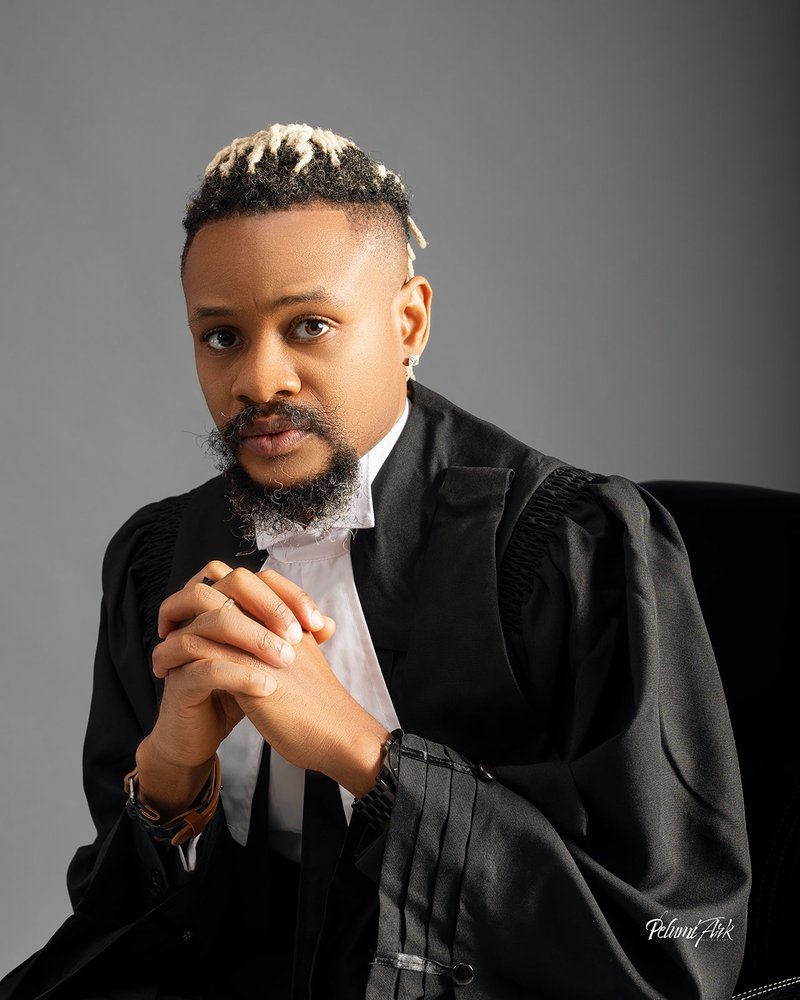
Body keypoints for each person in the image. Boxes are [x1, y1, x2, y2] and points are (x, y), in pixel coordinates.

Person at [1, 124, 750, 1000]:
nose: (259, 380)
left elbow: (681, 945)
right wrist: (170, 778)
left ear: (409, 322)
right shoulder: (160, 558)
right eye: (222, 336)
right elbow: (114, 926)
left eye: (309, 326)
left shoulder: (572, 547)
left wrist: (366, 755)